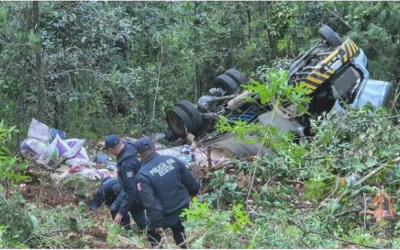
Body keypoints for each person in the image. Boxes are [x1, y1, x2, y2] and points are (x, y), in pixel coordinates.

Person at [135, 137, 200, 248]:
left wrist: (158, 223)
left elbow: (150, 202)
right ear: (154, 148)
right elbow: (193, 183)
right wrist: (190, 197)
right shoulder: (172, 160)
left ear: (140, 155)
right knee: (179, 230)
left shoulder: (142, 175)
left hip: (166, 214)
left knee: (151, 232)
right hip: (183, 207)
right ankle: (183, 247)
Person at [102, 135, 147, 231]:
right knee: (115, 208)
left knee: (137, 216)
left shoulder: (126, 165)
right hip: (138, 185)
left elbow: (132, 191)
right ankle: (127, 229)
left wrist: (121, 212)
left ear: (111, 149)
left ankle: (128, 230)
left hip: (136, 192)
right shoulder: (130, 146)